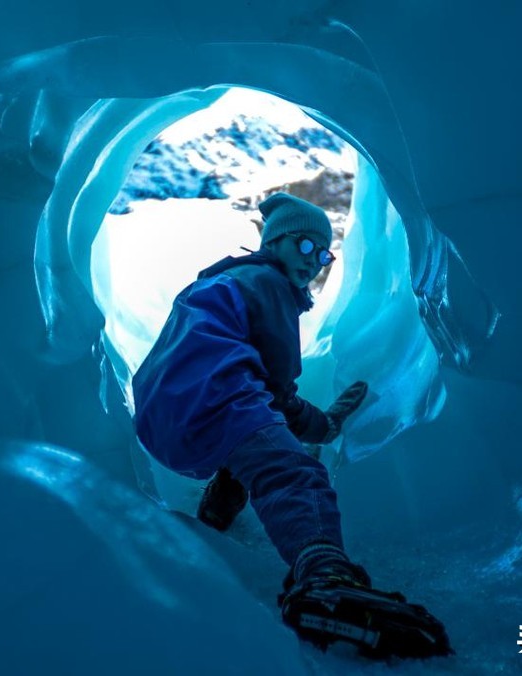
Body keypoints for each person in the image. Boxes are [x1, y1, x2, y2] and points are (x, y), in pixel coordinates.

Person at [132, 192, 451, 659]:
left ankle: (216, 518)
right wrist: (323, 425)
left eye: (323, 254)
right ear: (275, 243)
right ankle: (325, 576)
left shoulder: (225, 283)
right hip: (215, 395)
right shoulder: (266, 283)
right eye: (304, 247)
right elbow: (278, 389)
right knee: (292, 471)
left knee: (251, 446)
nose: (314, 261)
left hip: (164, 416)